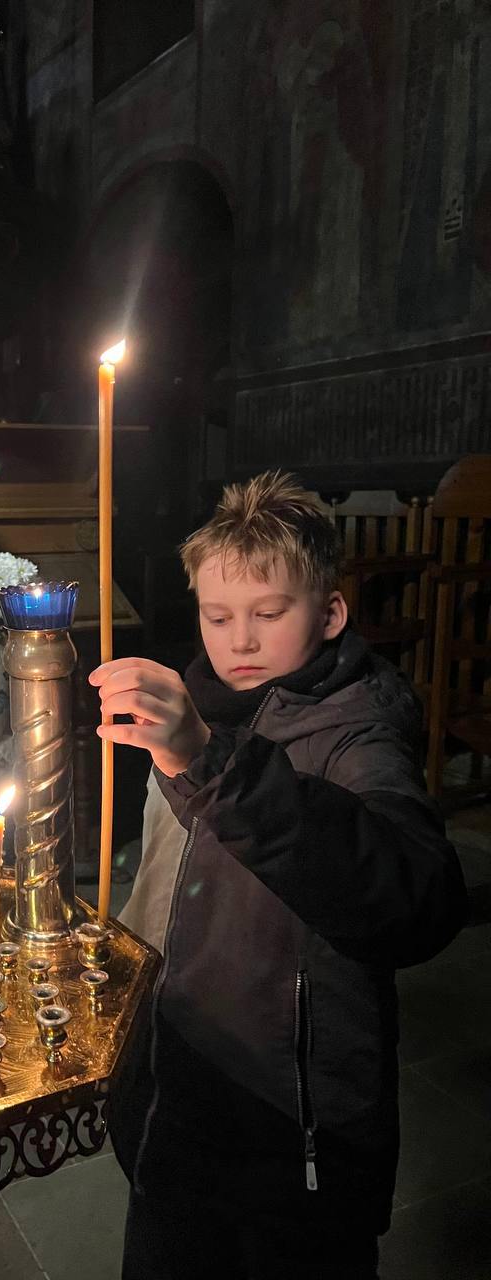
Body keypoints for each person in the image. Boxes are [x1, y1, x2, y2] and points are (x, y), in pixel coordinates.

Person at [91, 472, 468, 1280]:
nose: (240, 642)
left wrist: (216, 768)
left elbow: (417, 898)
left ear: (329, 614)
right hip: (175, 1082)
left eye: (269, 614)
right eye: (218, 615)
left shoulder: (357, 731)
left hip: (290, 1121)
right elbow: (163, 885)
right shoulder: (196, 704)